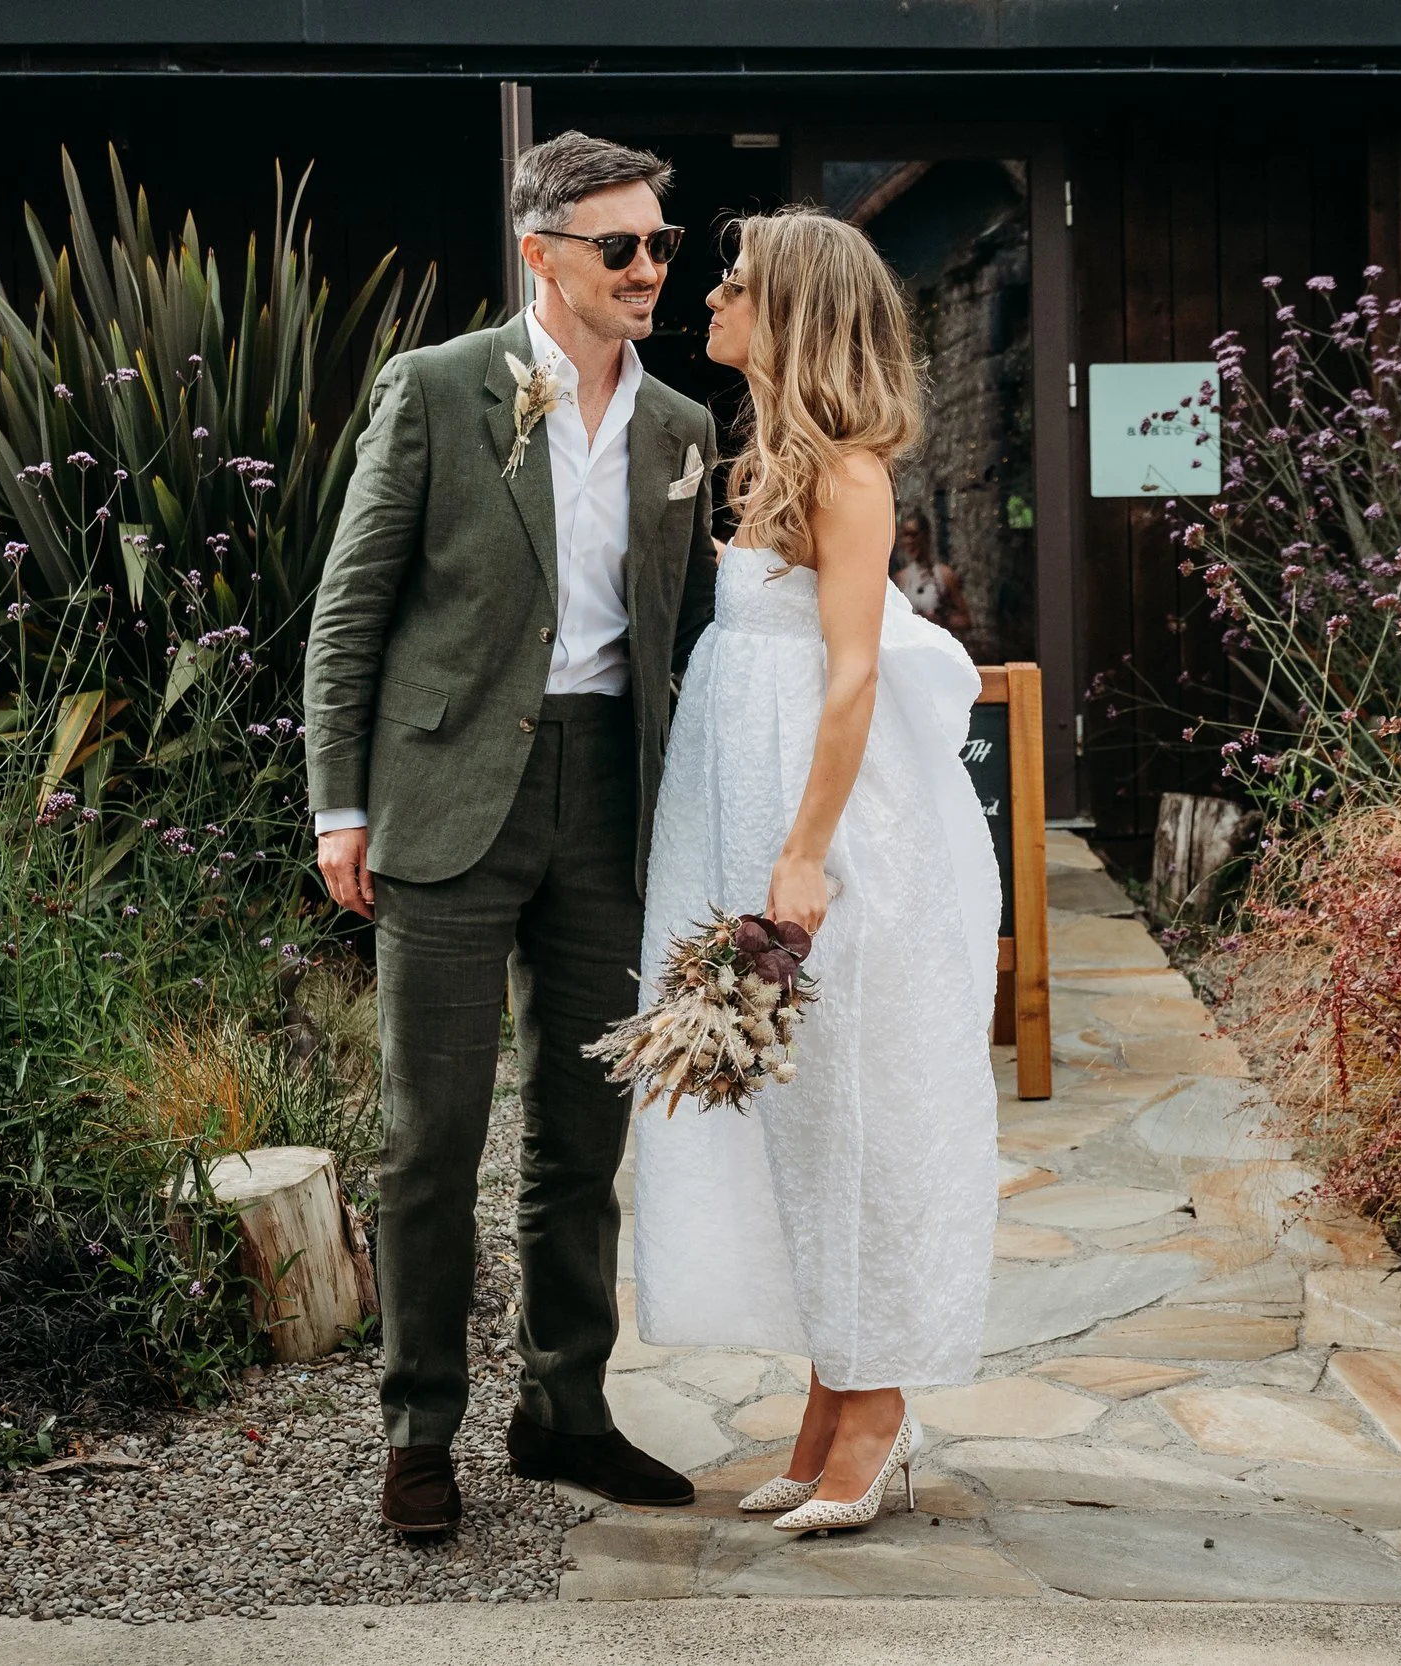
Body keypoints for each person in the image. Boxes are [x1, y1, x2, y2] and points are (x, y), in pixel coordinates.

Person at [302, 131, 720, 1536]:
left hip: (609, 797)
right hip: (448, 797)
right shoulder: (433, 393)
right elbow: (350, 608)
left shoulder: (683, 432)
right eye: (623, 247)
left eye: (662, 244)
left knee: (582, 1133)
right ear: (543, 254)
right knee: (429, 1139)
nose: (651, 268)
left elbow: (682, 642)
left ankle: (566, 1410)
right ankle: (420, 1429)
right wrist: (340, 805)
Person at [629, 208, 1003, 1534]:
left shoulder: (848, 473)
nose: (709, 299)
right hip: (743, 814)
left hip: (830, 832)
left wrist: (802, 854)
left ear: (792, 313)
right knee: (796, 1121)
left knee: (859, 1114)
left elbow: (849, 673)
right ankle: (827, 1392)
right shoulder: (764, 464)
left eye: (733, 284)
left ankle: (880, 1401)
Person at [889, 506, 975, 642]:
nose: (910, 541)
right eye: (905, 535)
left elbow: (966, 620)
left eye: (914, 534)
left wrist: (942, 619)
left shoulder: (944, 575)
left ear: (926, 536)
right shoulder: (900, 579)